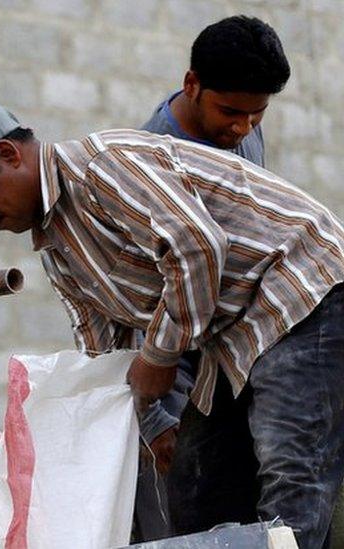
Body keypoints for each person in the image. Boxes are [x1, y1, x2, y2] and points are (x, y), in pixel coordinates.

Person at [0, 97, 344, 548]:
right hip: (235, 338)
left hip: (303, 289)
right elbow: (106, 355)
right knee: (196, 487)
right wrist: (153, 421)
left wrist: (158, 356)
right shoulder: (59, 254)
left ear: (7, 155)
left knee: (290, 472)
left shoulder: (104, 165)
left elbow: (197, 246)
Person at [133, 14, 291, 540]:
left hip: (240, 360)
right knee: (187, 527)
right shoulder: (152, 163)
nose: (242, 128)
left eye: (256, 114)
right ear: (191, 85)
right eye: (230, 112)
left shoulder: (241, 124)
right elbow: (142, 304)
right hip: (177, 380)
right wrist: (157, 419)